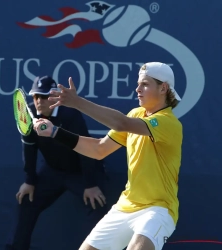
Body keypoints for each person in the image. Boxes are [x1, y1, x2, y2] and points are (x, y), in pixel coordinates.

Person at [34, 62, 183, 250]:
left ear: (163, 88)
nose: (137, 89)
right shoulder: (137, 113)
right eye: (138, 84)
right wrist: (55, 132)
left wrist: (77, 102)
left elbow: (121, 123)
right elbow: (98, 149)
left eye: (145, 84)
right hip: (126, 206)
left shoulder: (169, 123)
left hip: (158, 209)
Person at [5, 76, 108, 250]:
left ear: (54, 97)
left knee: (97, 205)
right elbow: (29, 148)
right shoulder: (28, 114)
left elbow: (87, 151)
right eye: (36, 97)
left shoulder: (70, 115)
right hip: (52, 172)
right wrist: (29, 180)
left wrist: (90, 184)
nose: (39, 101)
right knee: (26, 201)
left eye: (44, 97)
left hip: (80, 172)